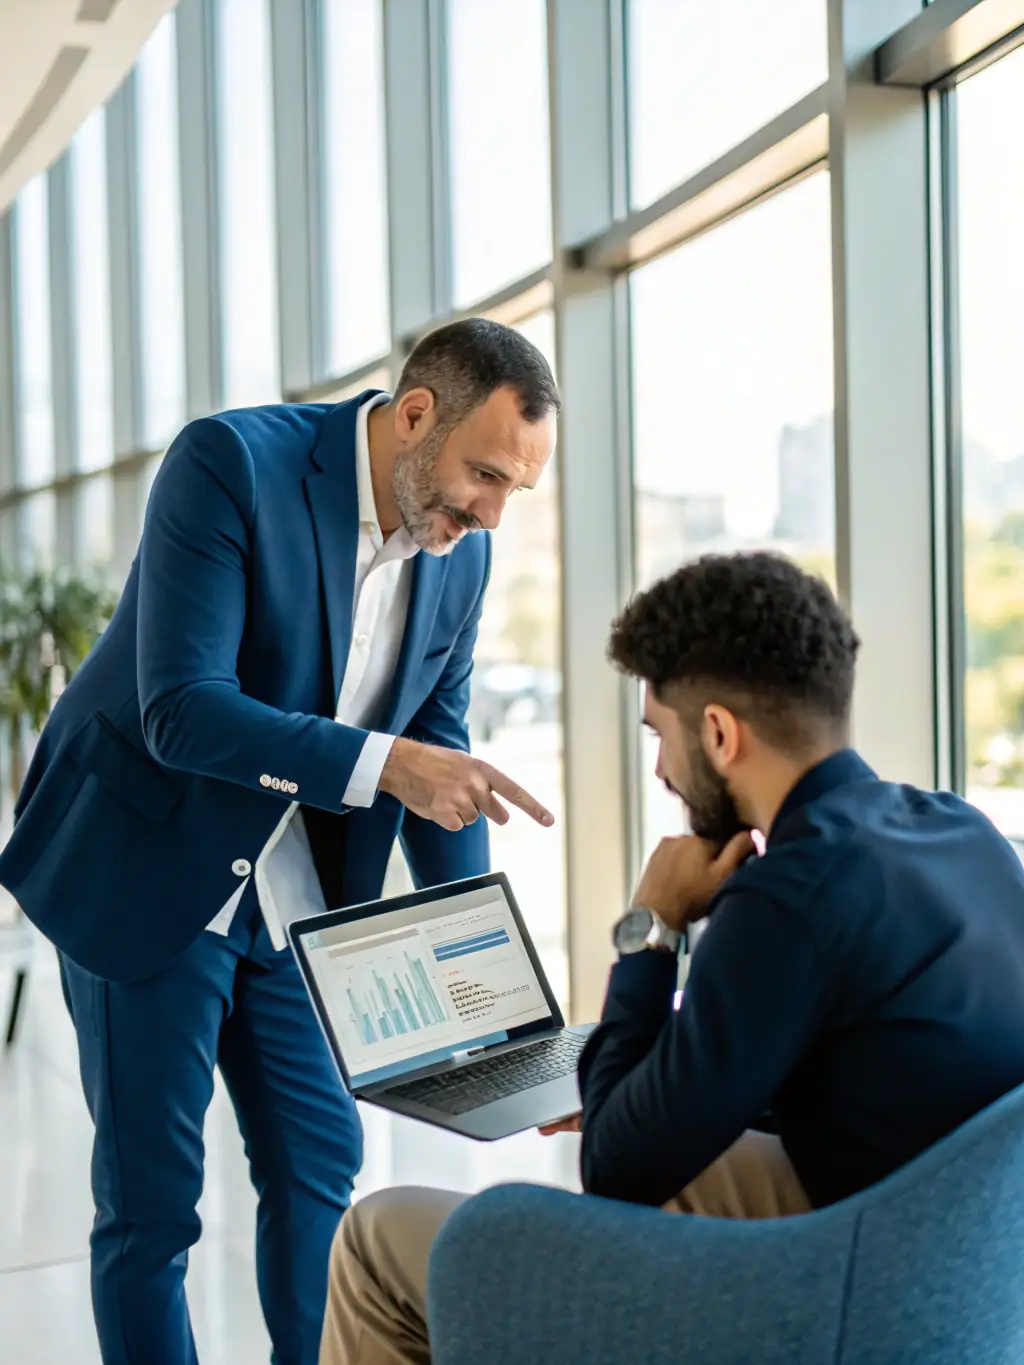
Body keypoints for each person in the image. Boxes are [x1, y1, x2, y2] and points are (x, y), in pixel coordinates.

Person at [0, 318, 560, 1365]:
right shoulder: (230, 465)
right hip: (147, 865)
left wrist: (500, 1021)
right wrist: (386, 764)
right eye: (484, 475)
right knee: (152, 1206)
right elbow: (182, 710)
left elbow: (439, 761)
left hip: (298, 904)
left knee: (318, 1171)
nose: (490, 513)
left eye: (513, 490)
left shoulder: (461, 559)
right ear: (415, 416)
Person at [319, 550, 1024, 1365]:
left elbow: (615, 1168)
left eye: (660, 734)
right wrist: (652, 1079)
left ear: (719, 732)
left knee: (375, 1238)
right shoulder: (960, 831)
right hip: (963, 1286)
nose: (659, 770)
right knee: (691, 1159)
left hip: (846, 1311)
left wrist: (650, 924)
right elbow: (883, 1065)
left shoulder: (786, 896)